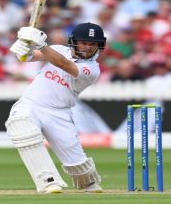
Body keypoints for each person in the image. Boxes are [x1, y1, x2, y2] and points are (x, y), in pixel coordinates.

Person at [7, 22, 107, 193]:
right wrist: (23, 47)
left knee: (78, 165)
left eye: (92, 44)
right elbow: (27, 57)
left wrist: (42, 45)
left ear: (99, 46)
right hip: (32, 103)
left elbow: (64, 65)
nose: (88, 47)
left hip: (59, 113)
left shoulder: (92, 69)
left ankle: (88, 183)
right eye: (84, 42)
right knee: (21, 126)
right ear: (74, 41)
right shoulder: (59, 49)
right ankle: (48, 181)